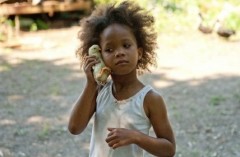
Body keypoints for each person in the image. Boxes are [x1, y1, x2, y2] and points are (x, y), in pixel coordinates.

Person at [68, 1, 176, 157]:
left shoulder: (150, 99)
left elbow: (169, 149)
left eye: (126, 45)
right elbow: (74, 127)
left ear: (139, 52)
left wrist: (135, 137)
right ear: (99, 55)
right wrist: (90, 84)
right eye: (109, 49)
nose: (119, 53)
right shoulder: (99, 91)